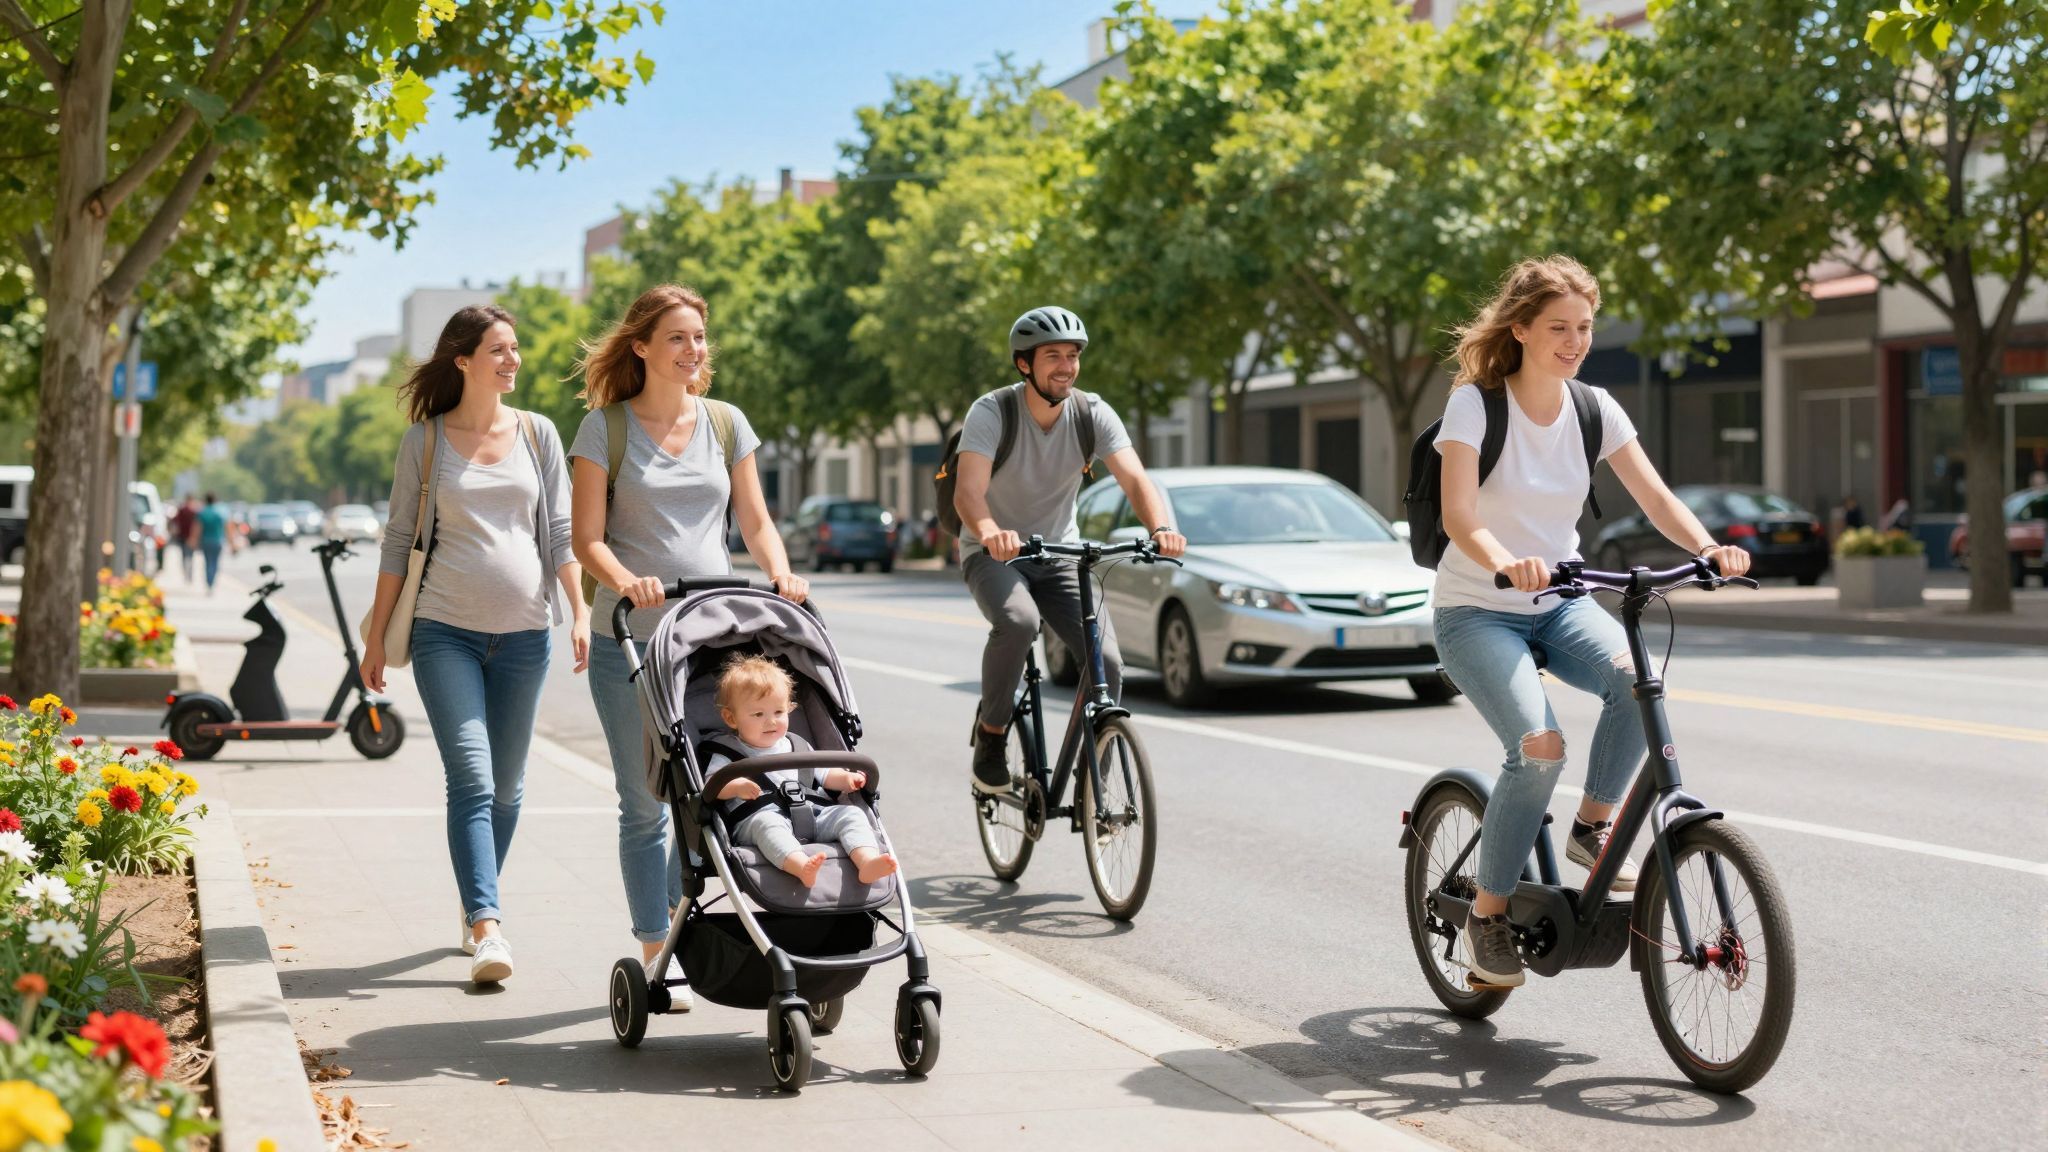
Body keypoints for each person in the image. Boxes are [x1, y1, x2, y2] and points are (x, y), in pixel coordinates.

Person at [1432, 256, 1752, 989]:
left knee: (1633, 681)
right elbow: (1459, 516)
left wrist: (1706, 548)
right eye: (1558, 328)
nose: (1574, 341)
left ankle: (1589, 829)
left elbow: (1656, 496)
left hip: (1563, 600)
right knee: (1539, 748)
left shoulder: (1594, 407)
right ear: (1521, 329)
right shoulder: (1477, 406)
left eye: (1583, 327)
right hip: (1478, 608)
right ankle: (1487, 916)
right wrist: (1507, 561)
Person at [570, 283, 808, 1002]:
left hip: (709, 641)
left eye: (699, 337)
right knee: (644, 802)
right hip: (632, 643)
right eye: (677, 337)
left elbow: (756, 520)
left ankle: (695, 925)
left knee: (705, 794)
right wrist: (627, 579)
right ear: (640, 346)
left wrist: (779, 569)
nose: (692, 350)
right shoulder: (604, 430)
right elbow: (586, 540)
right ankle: (655, 953)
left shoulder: (727, 423)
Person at [359, 304, 589, 987]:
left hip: (524, 635)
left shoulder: (539, 434)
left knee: (510, 789)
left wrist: (579, 609)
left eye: (516, 348)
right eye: (499, 348)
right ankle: (488, 925)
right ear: (463, 359)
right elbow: (399, 541)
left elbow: (560, 532)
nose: (513, 359)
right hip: (443, 633)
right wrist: (374, 637)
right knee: (474, 779)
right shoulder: (425, 441)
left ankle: (473, 899)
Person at [953, 306, 1187, 795]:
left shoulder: (1091, 412)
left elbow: (1134, 477)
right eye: (1053, 355)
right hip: (994, 552)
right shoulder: (992, 411)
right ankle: (992, 735)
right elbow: (967, 492)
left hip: (1059, 552)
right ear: (1024, 364)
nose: (1066, 365)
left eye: (1073, 355)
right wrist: (992, 530)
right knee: (1018, 622)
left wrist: (1161, 527)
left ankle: (1092, 772)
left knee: (1109, 663)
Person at [706, 655, 897, 888]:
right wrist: (735, 786)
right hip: (760, 817)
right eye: (758, 714)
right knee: (767, 825)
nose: (771, 721)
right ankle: (799, 865)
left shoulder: (797, 745)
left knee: (852, 815)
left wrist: (847, 779)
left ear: (790, 709)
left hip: (814, 813)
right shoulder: (726, 751)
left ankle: (866, 861)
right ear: (730, 717)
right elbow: (712, 785)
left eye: (778, 712)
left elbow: (824, 775)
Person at [195, 494, 229, 594]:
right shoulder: (220, 513)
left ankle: (208, 582)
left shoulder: (202, 513)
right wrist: (232, 542)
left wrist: (194, 540)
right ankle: (211, 582)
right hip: (217, 541)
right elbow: (227, 528)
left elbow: (198, 528)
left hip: (205, 541)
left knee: (207, 562)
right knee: (215, 562)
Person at [170, 496, 200, 584]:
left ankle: (186, 572)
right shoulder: (194, 512)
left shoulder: (181, 510)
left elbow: (174, 521)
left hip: (182, 536)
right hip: (190, 537)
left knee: (184, 555)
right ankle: (189, 574)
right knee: (190, 556)